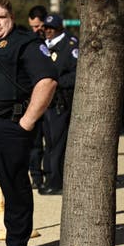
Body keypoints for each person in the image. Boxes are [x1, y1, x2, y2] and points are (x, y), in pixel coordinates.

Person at [0, 0, 57, 246]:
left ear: (11, 18)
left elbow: (47, 81)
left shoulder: (26, 44)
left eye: (1, 18)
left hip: (10, 126)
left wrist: (27, 122)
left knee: (14, 187)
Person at [39, 13, 79, 195]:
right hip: (44, 101)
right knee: (47, 142)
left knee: (57, 143)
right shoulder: (42, 46)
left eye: (51, 29)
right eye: (45, 28)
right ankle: (48, 176)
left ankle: (55, 181)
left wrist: (55, 83)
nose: (47, 31)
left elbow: (76, 74)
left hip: (60, 101)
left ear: (59, 29)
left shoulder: (70, 45)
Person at [27, 5, 48, 189]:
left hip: (55, 104)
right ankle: (36, 176)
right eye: (33, 27)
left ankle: (51, 175)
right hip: (34, 101)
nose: (36, 30)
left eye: (39, 26)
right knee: (34, 145)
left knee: (53, 143)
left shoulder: (56, 40)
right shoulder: (29, 44)